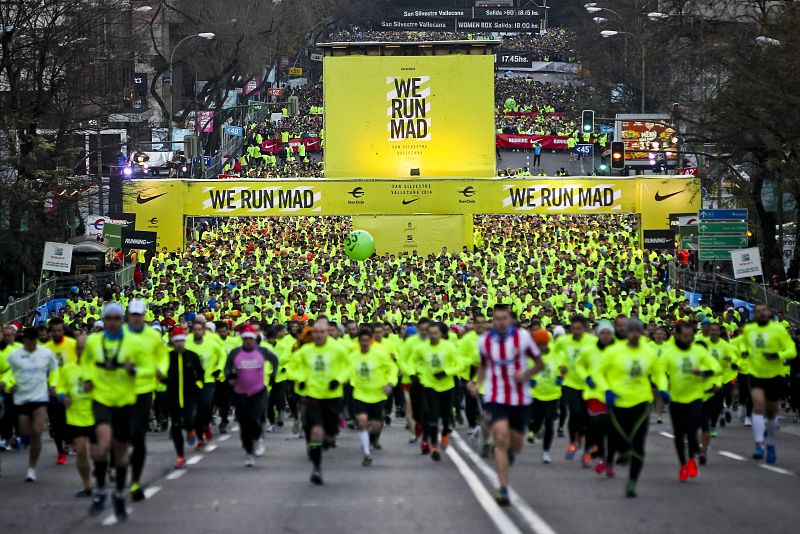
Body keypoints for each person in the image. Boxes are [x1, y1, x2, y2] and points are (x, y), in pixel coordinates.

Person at [469, 304, 543, 506]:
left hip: (520, 396)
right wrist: (478, 383)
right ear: (493, 320)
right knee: (500, 438)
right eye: (497, 319)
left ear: (510, 319)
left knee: (516, 444)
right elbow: (484, 365)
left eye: (504, 318)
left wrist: (525, 375)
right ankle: (502, 488)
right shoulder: (485, 341)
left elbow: (540, 363)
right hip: (496, 395)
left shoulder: (523, 338)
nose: (501, 322)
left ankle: (511, 452)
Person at [82, 303, 145, 520]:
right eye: (107, 318)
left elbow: (145, 368)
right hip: (101, 399)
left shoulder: (133, 342)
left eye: (115, 318)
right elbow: (86, 364)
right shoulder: (93, 342)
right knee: (102, 445)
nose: (111, 322)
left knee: (120, 453)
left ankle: (119, 493)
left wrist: (133, 369)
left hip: (125, 400)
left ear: (122, 320)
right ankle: (100, 490)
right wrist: (88, 379)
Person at [593, 318, 667, 498]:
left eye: (637, 331)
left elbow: (659, 374)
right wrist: (606, 391)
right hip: (618, 402)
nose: (634, 334)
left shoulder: (648, 353)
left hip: (641, 402)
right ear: (626, 332)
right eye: (630, 331)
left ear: (642, 332)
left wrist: (663, 389)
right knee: (618, 438)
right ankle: (622, 452)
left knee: (638, 443)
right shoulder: (614, 351)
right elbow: (597, 373)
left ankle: (632, 481)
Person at [289, 318, 350, 484]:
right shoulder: (305, 351)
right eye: (315, 332)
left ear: (327, 333)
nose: (319, 335)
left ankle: (328, 438)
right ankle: (316, 467)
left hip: (332, 396)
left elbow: (348, 366)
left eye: (322, 332)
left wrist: (338, 379)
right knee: (316, 431)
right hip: (312, 395)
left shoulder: (338, 349)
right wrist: (300, 378)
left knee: (329, 434)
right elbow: (291, 367)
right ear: (311, 334)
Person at [659, 322, 720, 482]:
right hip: (676, 399)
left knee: (692, 430)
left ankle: (692, 459)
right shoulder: (669, 353)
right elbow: (660, 374)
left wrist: (704, 372)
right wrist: (663, 389)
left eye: (691, 336)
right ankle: (683, 464)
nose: (688, 339)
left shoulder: (698, 351)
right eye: (685, 336)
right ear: (677, 335)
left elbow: (715, 366)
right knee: (679, 435)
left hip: (695, 397)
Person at [741, 304, 797, 463]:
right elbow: (744, 344)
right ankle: (759, 444)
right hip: (755, 373)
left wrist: (777, 355)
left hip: (774, 375)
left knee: (772, 413)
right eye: (757, 312)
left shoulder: (778, 329)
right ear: (754, 315)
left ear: (769, 313)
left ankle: (770, 443)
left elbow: (791, 350)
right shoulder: (749, 330)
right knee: (758, 407)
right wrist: (744, 351)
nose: (760, 314)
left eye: (763, 311)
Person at [124, 299, 166, 502]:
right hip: (120, 392)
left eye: (140, 315)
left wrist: (161, 370)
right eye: (133, 315)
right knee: (121, 436)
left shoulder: (152, 336)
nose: (137, 319)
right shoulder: (119, 336)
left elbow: (162, 357)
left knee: (138, 436)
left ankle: (135, 482)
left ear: (144, 316)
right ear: (128, 316)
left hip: (144, 389)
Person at [6, 327, 58, 482]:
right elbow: (10, 373)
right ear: (24, 341)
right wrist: (10, 385)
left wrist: (53, 384)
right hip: (22, 398)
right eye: (28, 342)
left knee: (37, 431)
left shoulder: (46, 353)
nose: (31, 345)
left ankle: (31, 468)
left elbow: (55, 370)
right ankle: (22, 442)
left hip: (40, 397)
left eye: (34, 342)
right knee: (25, 432)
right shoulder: (15, 355)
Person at [225, 323, 277, 466]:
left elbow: (275, 360)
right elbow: (227, 368)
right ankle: (249, 452)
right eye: (245, 338)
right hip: (240, 393)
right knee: (244, 423)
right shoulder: (235, 353)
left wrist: (274, 375)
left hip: (258, 391)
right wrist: (230, 377)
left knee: (255, 418)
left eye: (251, 338)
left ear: (255, 339)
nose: (248, 341)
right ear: (242, 339)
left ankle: (258, 439)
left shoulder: (262, 351)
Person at [348, 328, 398, 465]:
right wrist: (345, 380)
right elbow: (345, 370)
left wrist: (390, 383)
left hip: (378, 394)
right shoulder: (353, 356)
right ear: (358, 342)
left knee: (376, 425)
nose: (364, 343)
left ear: (370, 341)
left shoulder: (380, 354)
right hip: (360, 393)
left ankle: (370, 440)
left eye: (366, 340)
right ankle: (367, 453)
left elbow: (392, 368)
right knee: (362, 421)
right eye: (362, 340)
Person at [413, 322, 460, 461]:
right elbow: (413, 362)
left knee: (446, 416)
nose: (433, 336)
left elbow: (459, 365)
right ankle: (434, 446)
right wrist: (417, 374)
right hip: (430, 385)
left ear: (441, 334)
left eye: (436, 333)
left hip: (447, 386)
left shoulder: (449, 347)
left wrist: (446, 372)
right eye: (431, 333)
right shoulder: (422, 348)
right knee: (432, 416)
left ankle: (445, 433)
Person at [55, 339, 95, 496]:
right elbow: (60, 387)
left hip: (95, 415)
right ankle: (87, 486)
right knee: (81, 453)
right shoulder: (67, 369)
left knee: (98, 453)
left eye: (84, 349)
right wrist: (63, 397)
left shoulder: (96, 369)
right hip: (75, 416)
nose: (81, 351)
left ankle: (105, 473)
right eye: (78, 349)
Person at [160, 327, 203, 470]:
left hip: (190, 396)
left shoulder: (192, 356)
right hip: (172, 397)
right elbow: (162, 376)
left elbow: (200, 374)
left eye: (181, 341)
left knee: (189, 421)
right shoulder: (167, 357)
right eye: (176, 341)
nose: (179, 343)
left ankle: (191, 431)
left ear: (184, 341)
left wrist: (198, 385)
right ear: (173, 342)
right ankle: (180, 456)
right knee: (176, 427)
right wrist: (162, 379)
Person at [185, 319, 226, 450]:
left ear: (204, 331)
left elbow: (222, 355)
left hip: (208, 380)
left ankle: (206, 424)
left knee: (206, 406)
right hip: (192, 381)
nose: (197, 332)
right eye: (195, 330)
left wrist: (218, 369)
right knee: (193, 411)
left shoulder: (212, 341)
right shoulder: (187, 342)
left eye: (199, 329)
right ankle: (200, 437)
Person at [44, 318, 78, 465]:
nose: (57, 333)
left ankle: (70, 442)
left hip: (70, 389)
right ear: (50, 332)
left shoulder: (72, 345)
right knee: (56, 425)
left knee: (68, 422)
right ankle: (60, 452)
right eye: (54, 331)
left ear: (63, 331)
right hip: (52, 390)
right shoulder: (46, 348)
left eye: (59, 330)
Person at [528, 328, 562, 463]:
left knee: (549, 423)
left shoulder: (555, 354)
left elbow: (563, 367)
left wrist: (561, 376)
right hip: (536, 394)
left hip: (552, 395)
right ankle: (533, 430)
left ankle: (546, 451)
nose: (540, 346)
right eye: (538, 344)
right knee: (535, 420)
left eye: (543, 343)